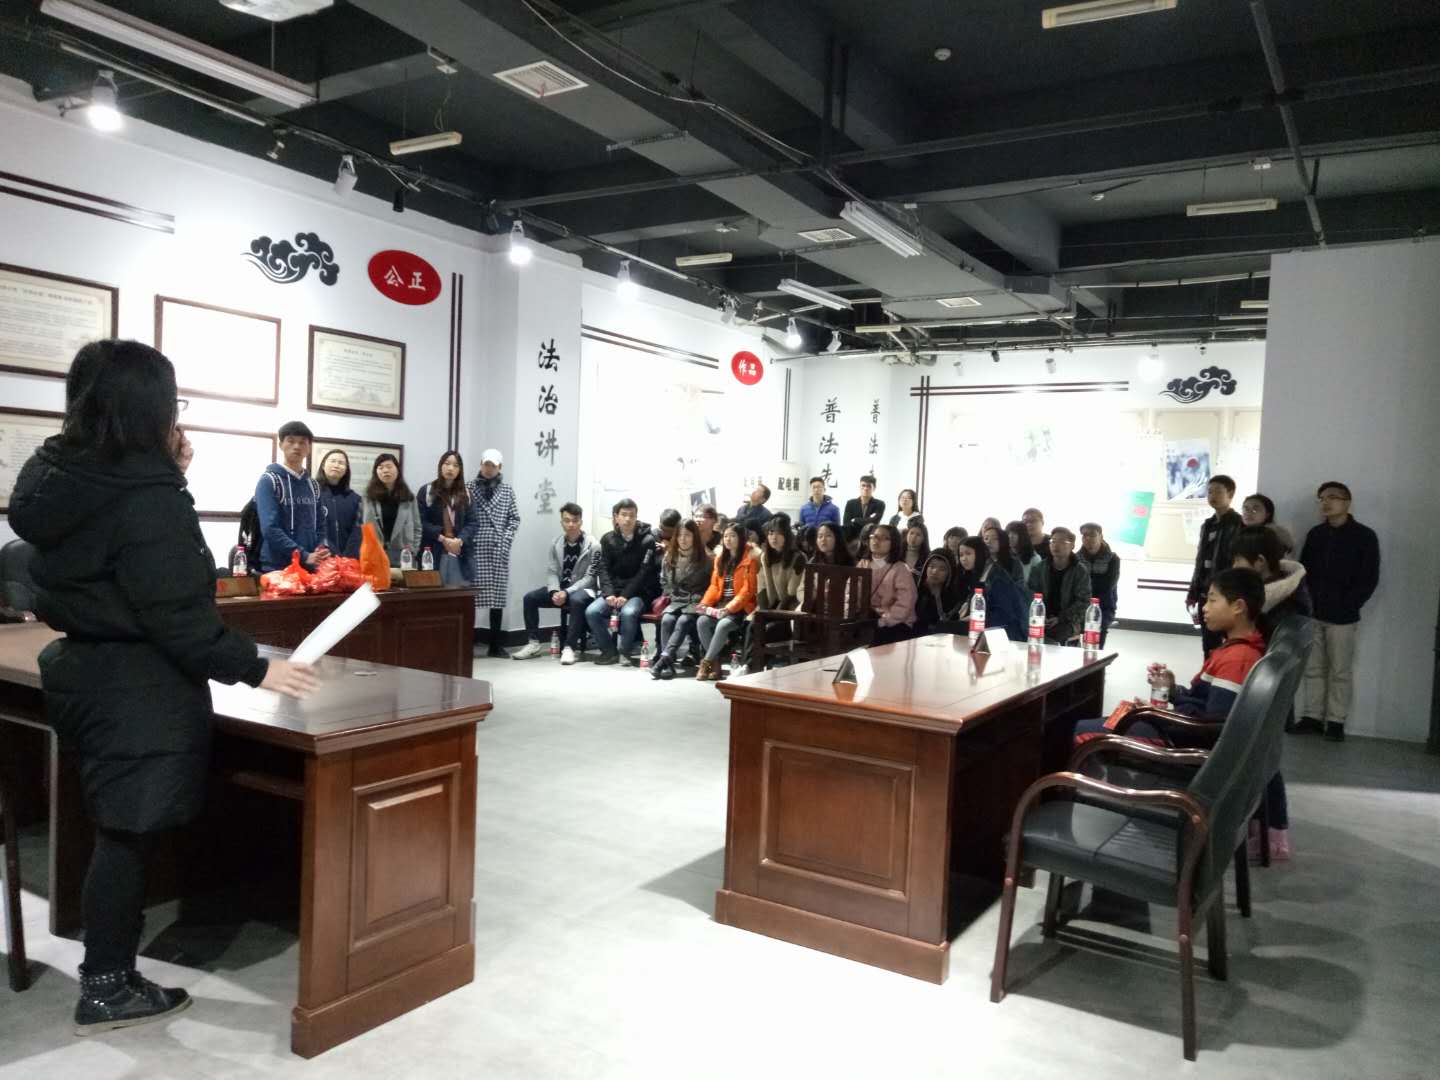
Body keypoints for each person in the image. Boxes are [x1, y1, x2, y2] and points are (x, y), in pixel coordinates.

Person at [8, 340, 318, 1034]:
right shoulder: (147, 499)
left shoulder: (61, 477)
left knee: (116, 826)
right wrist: (259, 667)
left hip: (86, 672)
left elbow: (114, 564)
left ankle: (108, 971)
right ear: (148, 407)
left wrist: (166, 474)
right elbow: (177, 611)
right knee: (127, 836)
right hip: (137, 688)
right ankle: (107, 985)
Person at [1075, 568, 1267, 745]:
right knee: (1101, 721)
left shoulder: (1238, 659)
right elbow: (1202, 706)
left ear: (1238, 607)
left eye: (1212, 600)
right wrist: (1172, 690)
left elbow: (1211, 730)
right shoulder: (1235, 650)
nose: (1205, 607)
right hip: (1177, 728)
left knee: (1080, 730)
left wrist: (1156, 715)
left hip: (1176, 741)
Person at [1232, 524, 1311, 861]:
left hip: (1265, 693)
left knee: (1262, 759)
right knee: (1264, 758)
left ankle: (1271, 834)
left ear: (1260, 562)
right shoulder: (1287, 593)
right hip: (1268, 692)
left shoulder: (1278, 605)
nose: (1234, 568)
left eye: (1238, 561)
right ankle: (1265, 831)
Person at [1297, 481, 1380, 742]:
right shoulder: (1316, 534)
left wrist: (1350, 604)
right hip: (1313, 613)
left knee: (1340, 672)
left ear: (1347, 502)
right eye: (1322, 498)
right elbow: (1303, 571)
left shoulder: (1364, 536)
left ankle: (1335, 721)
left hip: (1343, 617)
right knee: (1313, 668)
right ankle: (1312, 717)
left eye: (1333, 497)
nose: (1326, 502)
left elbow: (1369, 578)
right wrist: (1306, 604)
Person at [512, 502, 598, 662]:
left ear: (581, 522)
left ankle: (569, 648)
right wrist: (554, 591)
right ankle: (533, 643)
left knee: (576, 600)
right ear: (561, 522)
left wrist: (566, 592)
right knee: (530, 598)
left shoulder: (593, 545)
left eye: (575, 520)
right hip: (560, 589)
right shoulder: (556, 543)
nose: (571, 524)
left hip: (584, 591)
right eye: (567, 520)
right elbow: (552, 571)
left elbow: (590, 577)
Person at [585, 498, 659, 665]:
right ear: (616, 517)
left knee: (628, 613)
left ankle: (624, 652)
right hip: (614, 591)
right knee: (592, 612)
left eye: (631, 515)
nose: (627, 519)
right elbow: (603, 569)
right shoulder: (608, 539)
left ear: (636, 517)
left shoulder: (647, 540)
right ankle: (608, 651)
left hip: (638, 592)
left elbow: (643, 572)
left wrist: (626, 595)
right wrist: (609, 593)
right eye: (624, 515)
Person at [465, 449, 522, 659]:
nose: (489, 469)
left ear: (500, 467)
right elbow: (463, 516)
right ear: (481, 464)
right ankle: (466, 642)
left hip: (498, 548)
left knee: (497, 598)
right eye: (486, 464)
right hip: (475, 547)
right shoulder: (469, 488)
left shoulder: (507, 490)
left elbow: (514, 518)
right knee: (471, 596)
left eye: (493, 465)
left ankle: (495, 645)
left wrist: (506, 540)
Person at [255, 420, 329, 572]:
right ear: (281, 444)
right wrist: (303, 555)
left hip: (309, 565)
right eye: (291, 441)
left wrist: (319, 549)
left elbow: (321, 524)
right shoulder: (269, 480)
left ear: (309, 448)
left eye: (302, 442)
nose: (297, 446)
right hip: (278, 567)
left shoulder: (313, 485)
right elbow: (270, 529)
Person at [693, 522, 759, 681]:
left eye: (733, 536)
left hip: (741, 608)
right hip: (721, 605)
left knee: (723, 625)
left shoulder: (750, 558)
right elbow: (714, 586)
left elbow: (748, 590)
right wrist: (705, 604)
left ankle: (706, 663)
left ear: (741, 538)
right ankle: (715, 664)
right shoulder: (720, 558)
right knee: (702, 621)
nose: (728, 539)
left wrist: (729, 608)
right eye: (725, 536)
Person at [649, 519, 713, 680]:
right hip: (676, 599)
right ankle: (668, 664)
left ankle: (663, 660)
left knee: (683, 621)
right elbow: (664, 581)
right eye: (680, 535)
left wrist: (698, 600)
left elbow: (709, 585)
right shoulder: (669, 556)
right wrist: (671, 594)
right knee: (667, 620)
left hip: (695, 601)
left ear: (695, 537)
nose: (683, 539)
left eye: (688, 535)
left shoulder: (705, 559)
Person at [1188, 474, 1244, 655]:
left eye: (1218, 491)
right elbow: (1200, 560)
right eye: (1210, 492)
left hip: (1227, 593)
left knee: (1226, 642)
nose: (1212, 496)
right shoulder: (1207, 525)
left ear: (1231, 493)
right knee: (1208, 642)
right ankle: (1209, 671)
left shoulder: (1239, 524)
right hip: (1205, 592)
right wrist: (1193, 591)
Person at [744, 515, 807, 671]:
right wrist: (762, 613)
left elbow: (791, 594)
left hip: (791, 611)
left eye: (778, 533)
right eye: (770, 533)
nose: (773, 537)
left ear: (787, 535)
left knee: (769, 629)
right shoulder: (765, 556)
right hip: (772, 607)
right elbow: (762, 587)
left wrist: (770, 615)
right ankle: (747, 666)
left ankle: (751, 668)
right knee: (753, 624)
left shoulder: (798, 557)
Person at [953, 536, 1028, 640]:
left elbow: (1004, 615)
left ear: (979, 553)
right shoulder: (974, 575)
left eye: (968, 553)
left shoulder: (997, 577)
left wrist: (975, 617)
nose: (964, 558)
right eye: (961, 555)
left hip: (1007, 634)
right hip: (984, 629)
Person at [1026, 526, 1092, 644]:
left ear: (1072, 545)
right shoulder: (1040, 568)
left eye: (1062, 542)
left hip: (1069, 621)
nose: (1056, 545)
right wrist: (1040, 615)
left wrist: (1060, 618)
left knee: (1052, 636)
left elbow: (1084, 601)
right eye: (1053, 541)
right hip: (1041, 617)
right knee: (1023, 630)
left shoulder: (1079, 570)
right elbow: (1031, 593)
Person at [416, 450, 471, 586]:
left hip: (458, 552)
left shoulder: (466, 493)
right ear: (440, 466)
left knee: (457, 595)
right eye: (447, 463)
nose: (450, 468)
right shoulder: (427, 491)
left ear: (460, 470)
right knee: (432, 593)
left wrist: (460, 540)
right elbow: (420, 521)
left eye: (455, 465)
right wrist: (442, 538)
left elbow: (473, 522)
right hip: (433, 551)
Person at [856, 523, 917, 645]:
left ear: (894, 543)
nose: (876, 540)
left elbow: (906, 602)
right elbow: (851, 591)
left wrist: (883, 621)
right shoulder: (863, 564)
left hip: (897, 622)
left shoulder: (900, 569)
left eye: (884, 538)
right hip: (869, 618)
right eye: (874, 536)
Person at [361, 453, 421, 567]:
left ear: (397, 469)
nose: (385, 470)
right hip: (375, 555)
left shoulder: (409, 498)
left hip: (404, 556)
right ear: (376, 472)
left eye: (389, 466)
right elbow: (361, 527)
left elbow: (417, 528)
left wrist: (414, 551)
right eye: (380, 467)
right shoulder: (368, 497)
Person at [1077, 522, 1121, 646]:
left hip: (1104, 606)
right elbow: (1074, 585)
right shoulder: (1076, 558)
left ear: (1101, 537)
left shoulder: (1112, 559)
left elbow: (1107, 586)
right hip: (1080, 604)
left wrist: (1085, 584)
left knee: (1095, 640)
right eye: (1084, 535)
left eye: (1092, 535)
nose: (1088, 538)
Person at [315, 448, 362, 559]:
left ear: (346, 470)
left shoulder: (355, 499)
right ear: (323, 465)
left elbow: (357, 532)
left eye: (341, 463)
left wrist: (347, 557)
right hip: (320, 558)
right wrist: (331, 553)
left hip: (349, 560)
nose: (336, 465)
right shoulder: (312, 494)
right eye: (333, 461)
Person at [915, 552, 961, 635]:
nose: (935, 571)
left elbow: (952, 625)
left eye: (942, 569)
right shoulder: (915, 587)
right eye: (931, 566)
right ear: (925, 568)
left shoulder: (952, 598)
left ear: (950, 573)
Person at [1241, 491, 1295, 557]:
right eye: (1246, 509)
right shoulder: (1241, 531)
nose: (1248, 513)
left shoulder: (1274, 534)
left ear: (1267, 514)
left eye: (1255, 510)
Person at [842, 475, 886, 548]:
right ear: (859, 487)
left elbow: (874, 522)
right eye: (863, 485)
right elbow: (846, 523)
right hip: (852, 539)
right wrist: (866, 521)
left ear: (874, 488)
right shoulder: (850, 503)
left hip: (871, 540)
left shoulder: (880, 504)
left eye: (869, 486)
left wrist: (855, 520)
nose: (865, 488)